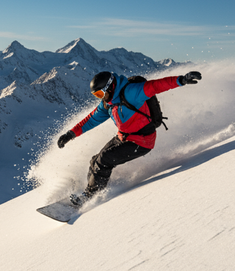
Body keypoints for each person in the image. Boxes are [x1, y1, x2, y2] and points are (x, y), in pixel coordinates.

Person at [57, 70, 202, 206]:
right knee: (95, 160)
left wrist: (181, 80)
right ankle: (91, 188)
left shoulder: (131, 92)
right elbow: (91, 119)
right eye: (96, 96)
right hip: (124, 137)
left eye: (100, 94)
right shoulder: (108, 103)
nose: (100, 98)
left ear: (110, 87)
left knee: (104, 159)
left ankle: (90, 196)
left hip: (142, 140)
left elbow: (156, 86)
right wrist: (71, 134)